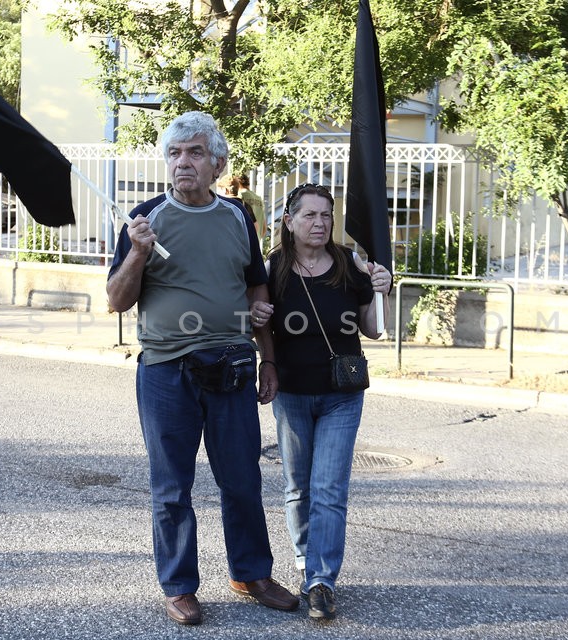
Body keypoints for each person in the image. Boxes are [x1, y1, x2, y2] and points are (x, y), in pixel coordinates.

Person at [106, 111, 298, 626]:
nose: (182, 162)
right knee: (171, 486)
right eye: (174, 153)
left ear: (217, 163)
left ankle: (251, 574)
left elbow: (256, 288)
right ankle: (180, 586)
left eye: (193, 153)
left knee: (241, 479)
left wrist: (268, 357)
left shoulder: (237, 217)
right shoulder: (145, 218)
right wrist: (138, 255)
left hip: (232, 363)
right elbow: (116, 301)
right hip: (166, 370)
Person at [249, 183, 392, 621]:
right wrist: (262, 344)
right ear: (288, 221)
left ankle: (321, 580)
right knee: (298, 486)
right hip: (291, 391)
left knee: (329, 488)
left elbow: (371, 328)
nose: (319, 223)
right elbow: (261, 325)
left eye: (326, 215)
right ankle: (303, 560)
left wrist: (381, 289)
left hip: (341, 395)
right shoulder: (272, 268)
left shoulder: (351, 265)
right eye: (309, 215)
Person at [236, 174, 266, 239]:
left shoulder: (240, 195)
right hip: (256, 238)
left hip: (245, 238)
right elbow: (264, 226)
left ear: (238, 183)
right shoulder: (258, 198)